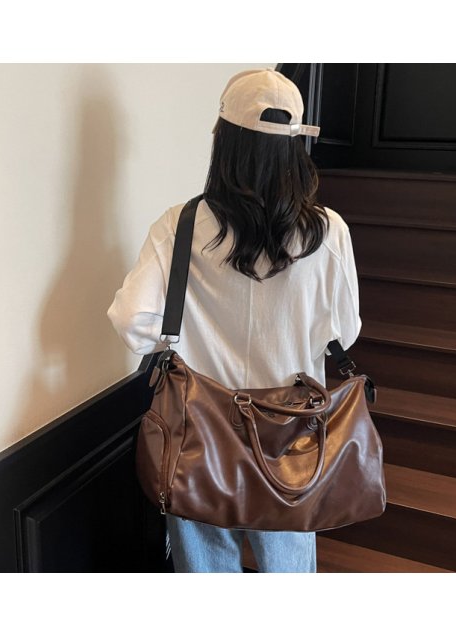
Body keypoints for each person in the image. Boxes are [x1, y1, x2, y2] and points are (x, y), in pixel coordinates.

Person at [107, 68, 362, 573]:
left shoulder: (180, 225)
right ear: (296, 147)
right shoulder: (327, 232)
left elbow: (131, 320)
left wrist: (182, 338)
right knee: (288, 568)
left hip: (199, 423)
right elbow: (346, 331)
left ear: (224, 140)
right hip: (293, 431)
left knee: (204, 570)